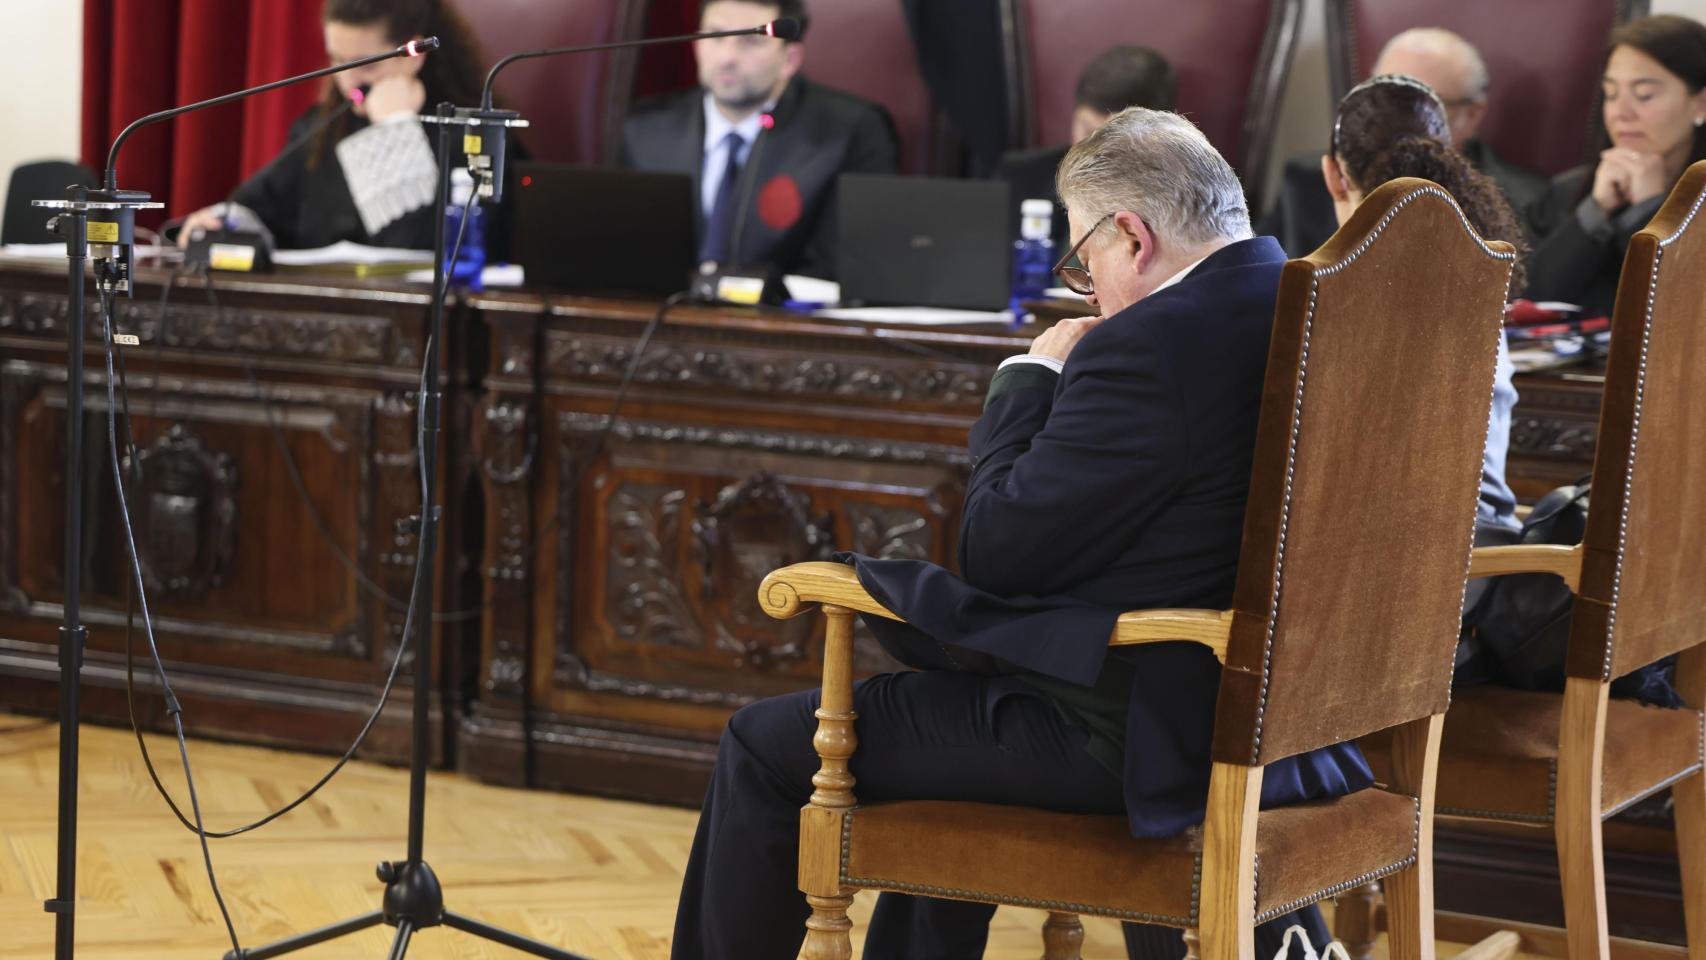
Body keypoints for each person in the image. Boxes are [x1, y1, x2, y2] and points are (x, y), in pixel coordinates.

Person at [670, 107, 1371, 960]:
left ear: (1132, 236)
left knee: (762, 743)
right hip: (1294, 729)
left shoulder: (1151, 345)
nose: (1089, 292)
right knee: (942, 733)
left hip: (1142, 736)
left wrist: (1030, 377)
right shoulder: (1310, 303)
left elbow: (996, 550)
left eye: (1084, 264)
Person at [1322, 73, 1529, 535]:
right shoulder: (1475, 281)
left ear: (1333, 175)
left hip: (1389, 557)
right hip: (1488, 553)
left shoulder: (1331, 300)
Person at [176, 0, 487, 251]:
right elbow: (259, 208)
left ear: (412, 55)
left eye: (365, 65)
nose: (348, 80)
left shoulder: (468, 134)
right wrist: (221, 222)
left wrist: (395, 128)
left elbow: (420, 244)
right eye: (338, 60)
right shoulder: (320, 127)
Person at [619, 0, 899, 279]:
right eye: (716, 37)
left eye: (750, 41)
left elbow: (846, 265)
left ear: (790, 60)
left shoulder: (851, 132)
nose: (728, 57)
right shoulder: (645, 130)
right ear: (696, 45)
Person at [1261, 27, 1547, 257]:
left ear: (1471, 115)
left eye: (1421, 107)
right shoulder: (1304, 181)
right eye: (1383, 99)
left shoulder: (1521, 201)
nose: (1395, 121)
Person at [1525, 14, 1706, 317]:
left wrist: (1648, 212)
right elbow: (1528, 301)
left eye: (1644, 95)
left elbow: (1686, 311)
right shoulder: (1567, 190)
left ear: (1700, 104)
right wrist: (1595, 212)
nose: (1621, 112)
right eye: (1611, 94)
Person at [994, 45, 1177, 248]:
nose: (1095, 152)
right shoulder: (1021, 177)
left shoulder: (1180, 204)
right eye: (1088, 131)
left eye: (1112, 138)